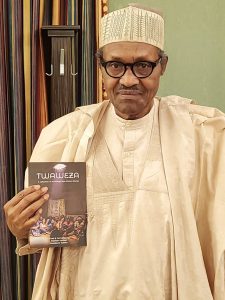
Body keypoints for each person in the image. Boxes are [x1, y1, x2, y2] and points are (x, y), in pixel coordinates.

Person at [3, 3, 225, 300]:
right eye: (116, 65)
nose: (129, 80)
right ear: (101, 66)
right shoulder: (65, 136)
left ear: (163, 65)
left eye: (143, 65)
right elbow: (48, 233)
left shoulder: (201, 135)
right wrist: (21, 227)